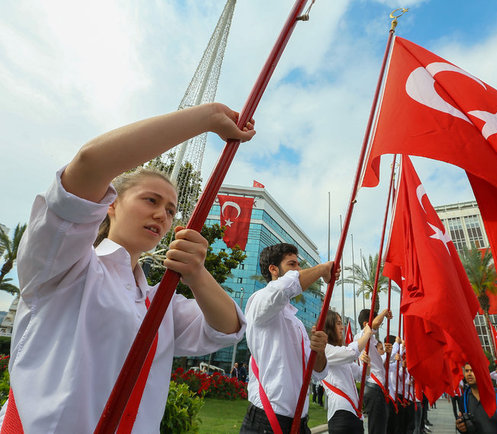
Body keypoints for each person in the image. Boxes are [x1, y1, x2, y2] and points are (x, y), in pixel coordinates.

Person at [0, 103, 254, 432]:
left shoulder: (158, 302)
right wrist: (205, 119)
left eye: (171, 210)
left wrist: (196, 274)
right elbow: (89, 163)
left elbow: (227, 327)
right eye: (151, 200)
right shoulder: (64, 266)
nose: (163, 215)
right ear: (111, 204)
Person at [240, 243, 338, 434]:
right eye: (292, 264)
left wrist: (319, 350)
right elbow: (283, 289)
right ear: (273, 269)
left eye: (298, 265)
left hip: (300, 423)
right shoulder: (258, 301)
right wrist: (321, 269)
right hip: (266, 422)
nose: (299, 270)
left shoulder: (297, 324)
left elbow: (318, 372)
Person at [322, 309, 372, 434]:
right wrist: (366, 335)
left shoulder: (339, 352)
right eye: (338, 323)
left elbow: (362, 374)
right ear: (329, 325)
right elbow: (351, 353)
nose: (342, 327)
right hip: (341, 415)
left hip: (353, 414)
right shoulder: (325, 350)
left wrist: (367, 365)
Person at [354, 308, 393, 434]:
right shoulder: (362, 336)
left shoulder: (370, 342)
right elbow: (373, 324)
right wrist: (384, 312)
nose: (379, 325)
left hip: (378, 388)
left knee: (381, 427)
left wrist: (388, 355)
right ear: (366, 324)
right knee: (377, 429)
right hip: (374, 388)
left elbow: (382, 367)